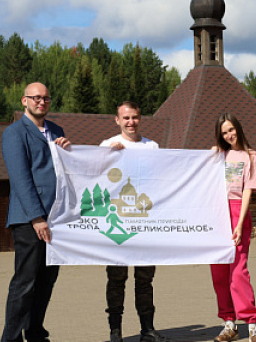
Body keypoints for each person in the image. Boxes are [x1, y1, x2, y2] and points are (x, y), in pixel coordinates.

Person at [1, 82, 71, 342]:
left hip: (57, 218)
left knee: (46, 280)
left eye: (45, 98)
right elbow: (20, 178)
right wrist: (37, 217)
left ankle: (35, 332)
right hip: (30, 220)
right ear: (24, 101)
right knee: (26, 281)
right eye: (36, 98)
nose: (41, 102)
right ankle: (10, 338)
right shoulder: (14, 133)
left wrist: (68, 152)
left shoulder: (57, 131)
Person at [99, 101, 171, 342]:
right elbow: (96, 179)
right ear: (117, 120)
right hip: (117, 224)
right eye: (126, 118)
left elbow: (160, 179)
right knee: (116, 278)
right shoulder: (107, 145)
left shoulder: (152, 147)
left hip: (145, 223)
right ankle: (115, 331)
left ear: (141, 118)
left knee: (145, 279)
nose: (131, 122)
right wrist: (109, 158)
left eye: (135, 117)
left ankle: (147, 328)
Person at [210, 114, 256, 342]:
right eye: (224, 132)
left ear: (239, 128)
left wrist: (240, 222)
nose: (229, 135)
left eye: (231, 129)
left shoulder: (252, 156)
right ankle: (229, 322)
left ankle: (252, 324)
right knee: (219, 272)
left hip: (237, 212)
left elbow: (247, 191)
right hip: (216, 213)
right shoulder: (218, 155)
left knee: (238, 270)